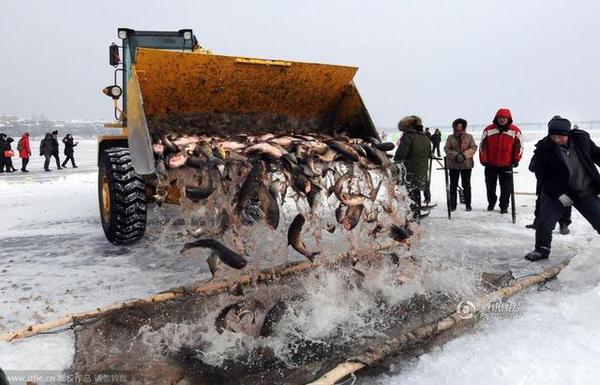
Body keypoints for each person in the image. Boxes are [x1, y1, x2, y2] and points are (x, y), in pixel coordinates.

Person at [525, 116, 600, 261]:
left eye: (560, 136)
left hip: (584, 189)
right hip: (558, 192)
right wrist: (559, 194)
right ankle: (542, 249)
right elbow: (542, 175)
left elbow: (596, 154)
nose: (557, 139)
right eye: (553, 136)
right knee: (545, 223)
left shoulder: (581, 141)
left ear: (568, 134)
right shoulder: (544, 149)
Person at [479, 108, 523, 213]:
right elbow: (482, 146)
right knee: (490, 186)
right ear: (496, 118)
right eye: (500, 118)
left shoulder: (515, 131)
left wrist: (516, 159)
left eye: (505, 118)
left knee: (506, 187)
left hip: (506, 164)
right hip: (491, 164)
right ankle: (491, 202)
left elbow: (519, 146)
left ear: (508, 119)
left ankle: (504, 206)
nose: (502, 120)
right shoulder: (488, 130)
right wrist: (483, 159)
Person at [394, 115, 431, 220]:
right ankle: (416, 213)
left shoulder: (408, 137)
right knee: (416, 191)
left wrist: (395, 162)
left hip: (410, 170)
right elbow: (429, 153)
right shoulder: (425, 137)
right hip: (422, 169)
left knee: (411, 193)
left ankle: (413, 215)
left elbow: (400, 155)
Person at [444, 118, 477, 211]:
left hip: (466, 165)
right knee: (453, 185)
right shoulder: (450, 137)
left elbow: (473, 148)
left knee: (466, 185)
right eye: (457, 126)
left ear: (464, 126)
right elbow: (447, 148)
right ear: (454, 127)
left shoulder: (469, 137)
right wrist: (456, 155)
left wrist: (464, 155)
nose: (459, 128)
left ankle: (468, 204)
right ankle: (453, 205)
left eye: (461, 126)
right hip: (453, 165)